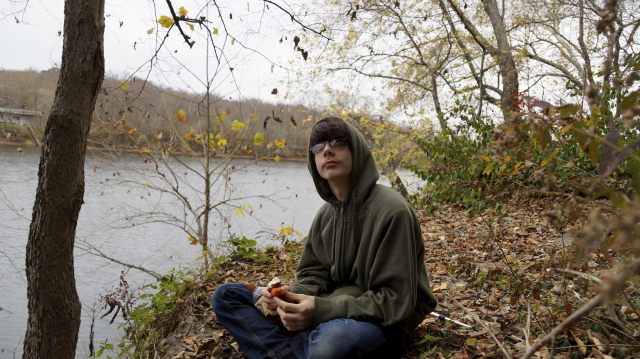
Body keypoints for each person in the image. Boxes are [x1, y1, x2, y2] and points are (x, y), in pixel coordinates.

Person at [212, 117, 437, 359]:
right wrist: (289, 298)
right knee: (227, 295)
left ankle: (289, 347)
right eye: (318, 147)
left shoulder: (392, 210)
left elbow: (395, 300)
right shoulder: (326, 214)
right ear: (314, 161)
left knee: (330, 344)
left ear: (357, 151)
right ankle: (297, 347)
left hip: (384, 320)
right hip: (330, 305)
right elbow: (313, 275)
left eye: (338, 142)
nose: (327, 150)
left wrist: (320, 310)